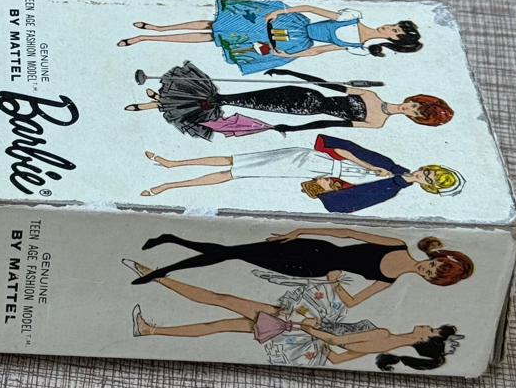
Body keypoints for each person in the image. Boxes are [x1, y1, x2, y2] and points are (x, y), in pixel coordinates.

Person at [123, 259, 460, 370]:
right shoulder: (385, 342)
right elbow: (337, 357)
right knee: (218, 322)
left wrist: (308, 328)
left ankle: (156, 276)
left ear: (424, 339)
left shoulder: (384, 338)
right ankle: (150, 328)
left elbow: (336, 341)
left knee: (221, 302)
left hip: (296, 326)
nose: (427, 325)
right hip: (299, 329)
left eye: (431, 329)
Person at [130, 226, 474, 303]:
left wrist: (335, 281)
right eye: (432, 266)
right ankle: (164, 263)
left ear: (429, 281)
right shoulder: (397, 244)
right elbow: (348, 232)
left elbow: (353, 302)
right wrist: (301, 230)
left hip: (311, 270)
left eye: (431, 276)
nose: (427, 270)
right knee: (231, 250)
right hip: (314, 247)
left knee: (231, 253)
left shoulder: (388, 282)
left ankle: (169, 246)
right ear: (433, 259)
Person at [124, 62, 452, 140]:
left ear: (414, 119)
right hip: (303, 93)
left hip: (301, 109)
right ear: (412, 99)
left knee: (231, 101)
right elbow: (328, 85)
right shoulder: (371, 94)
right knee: (232, 96)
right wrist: (289, 71)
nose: (410, 108)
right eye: (415, 104)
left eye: (415, 113)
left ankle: (167, 101)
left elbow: (328, 122)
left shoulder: (377, 122)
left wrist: (291, 128)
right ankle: (167, 97)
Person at [140, 135, 462, 211]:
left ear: (427, 187)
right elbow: (348, 150)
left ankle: (169, 186)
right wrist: (368, 166)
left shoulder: (390, 188)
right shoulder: (389, 166)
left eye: (428, 180)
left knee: (236, 174)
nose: (423, 175)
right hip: (308, 158)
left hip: (308, 172)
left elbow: (348, 203)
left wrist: (323, 188)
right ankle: (173, 164)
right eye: (428, 171)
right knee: (233, 159)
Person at [118, 0, 420, 73]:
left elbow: (319, 51)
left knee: (214, 38)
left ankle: (147, 39)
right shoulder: (352, 15)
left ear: (394, 41)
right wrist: (281, 11)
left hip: (294, 42)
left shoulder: (358, 47)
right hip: (291, 22)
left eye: (394, 33)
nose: (389, 29)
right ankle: (158, 28)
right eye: (394, 25)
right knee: (216, 23)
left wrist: (289, 54)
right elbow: (312, 9)